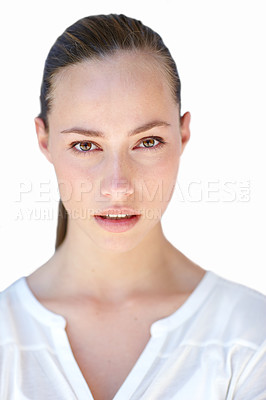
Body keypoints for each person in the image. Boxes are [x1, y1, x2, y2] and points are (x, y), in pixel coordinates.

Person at [0, 13, 265, 400]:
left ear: (183, 133)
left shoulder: (250, 338)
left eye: (148, 141)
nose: (118, 187)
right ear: (44, 141)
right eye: (86, 146)